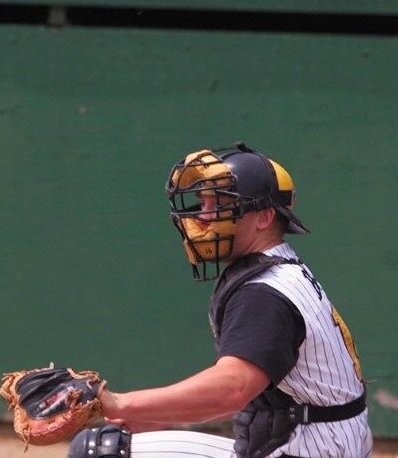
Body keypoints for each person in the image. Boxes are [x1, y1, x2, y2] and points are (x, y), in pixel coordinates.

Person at [70, 143, 371, 458]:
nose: (203, 216)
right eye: (202, 202)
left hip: (310, 449)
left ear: (264, 217)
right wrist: (157, 413)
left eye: (221, 203)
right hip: (314, 441)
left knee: (102, 451)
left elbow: (233, 389)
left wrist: (120, 403)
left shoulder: (265, 293)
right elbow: (258, 394)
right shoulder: (280, 269)